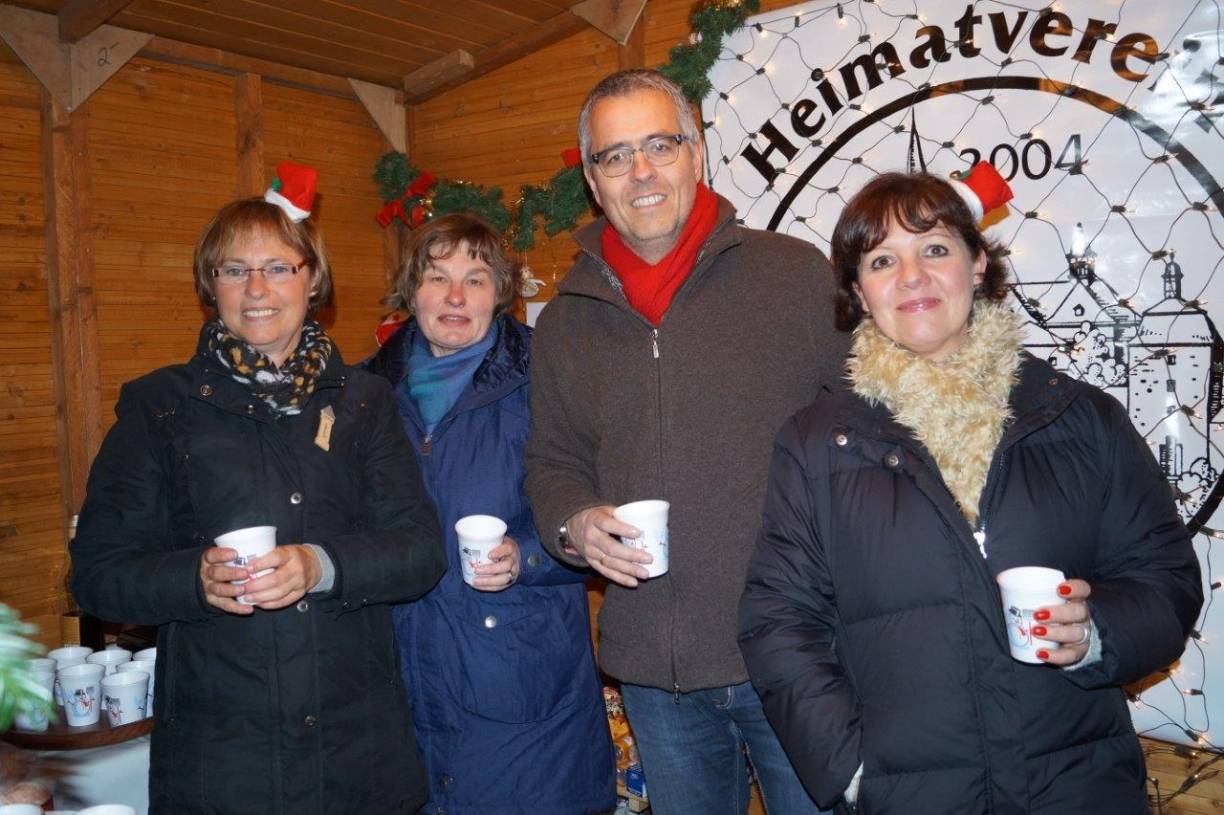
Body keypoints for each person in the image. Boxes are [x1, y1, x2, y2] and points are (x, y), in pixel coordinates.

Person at [737, 169, 1204, 814]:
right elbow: (778, 622)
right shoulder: (816, 443)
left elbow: (1166, 580)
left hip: (1078, 788)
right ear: (858, 290)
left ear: (977, 263)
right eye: (881, 260)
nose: (912, 276)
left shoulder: (1078, 418)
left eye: (934, 248)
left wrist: (1097, 633)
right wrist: (851, 768)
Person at [69, 162, 447, 815]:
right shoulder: (161, 407)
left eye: (278, 266)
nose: (256, 287)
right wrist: (195, 579)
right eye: (233, 269)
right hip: (224, 760)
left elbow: (420, 551)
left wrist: (319, 564)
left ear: (312, 279)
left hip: (356, 755)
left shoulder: (364, 403)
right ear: (209, 284)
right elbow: (96, 574)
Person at [524, 69, 847, 815]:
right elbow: (553, 461)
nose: (641, 172)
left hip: (796, 659)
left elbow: (869, 434)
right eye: (615, 156)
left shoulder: (794, 276)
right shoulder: (566, 318)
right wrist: (574, 521)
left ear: (696, 152)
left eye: (659, 145)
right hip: (653, 672)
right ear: (592, 179)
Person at [363, 213, 615, 815]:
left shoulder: (547, 376)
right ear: (410, 290)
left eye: (475, 279)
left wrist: (527, 556)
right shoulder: (364, 393)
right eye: (436, 276)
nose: (454, 297)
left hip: (522, 684)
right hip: (406, 679)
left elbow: (604, 513)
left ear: (500, 293)